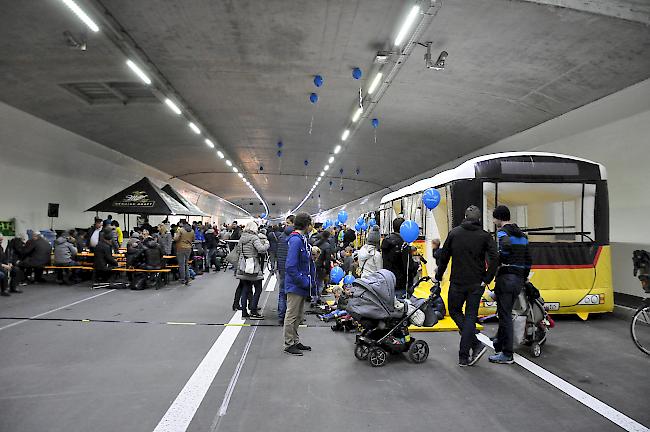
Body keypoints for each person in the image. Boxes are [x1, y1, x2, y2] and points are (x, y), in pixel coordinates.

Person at [435, 205, 498, 367]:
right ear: (478, 219)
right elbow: (495, 258)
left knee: (455, 311)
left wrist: (438, 276)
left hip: (457, 282)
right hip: (477, 283)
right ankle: (467, 353)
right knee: (471, 316)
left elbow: (444, 257)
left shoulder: (454, 233)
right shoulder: (484, 236)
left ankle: (473, 347)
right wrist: (487, 278)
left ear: (464, 216)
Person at [489, 205, 532, 365]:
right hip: (518, 280)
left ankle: (507, 354)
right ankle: (498, 342)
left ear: (499, 218)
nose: (494, 221)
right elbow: (529, 260)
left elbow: (504, 248)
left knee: (505, 316)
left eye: (494, 218)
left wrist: (501, 259)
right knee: (505, 313)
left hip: (506, 279)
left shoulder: (502, 232)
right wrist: (524, 276)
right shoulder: (522, 235)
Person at [283, 212, 316, 356]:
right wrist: (304, 281)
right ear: (306, 224)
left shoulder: (302, 239)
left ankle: (295, 340)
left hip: (301, 284)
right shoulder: (296, 241)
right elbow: (290, 266)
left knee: (298, 315)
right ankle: (289, 343)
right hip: (297, 284)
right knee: (291, 314)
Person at [234, 221, 269, 319]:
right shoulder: (254, 238)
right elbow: (261, 249)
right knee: (258, 288)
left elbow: (238, 251)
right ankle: (253, 311)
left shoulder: (242, 237)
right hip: (252, 265)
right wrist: (267, 243)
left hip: (243, 265)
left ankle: (244, 312)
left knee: (245, 289)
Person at [381, 217, 413, 298]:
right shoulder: (403, 244)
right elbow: (408, 266)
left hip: (388, 281)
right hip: (401, 283)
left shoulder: (385, 241)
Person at [275, 215, 294, 325]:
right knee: (293, 295)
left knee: (282, 293)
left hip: (282, 268)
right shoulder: (296, 237)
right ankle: (291, 317)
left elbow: (279, 253)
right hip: (292, 269)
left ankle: (281, 316)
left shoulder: (282, 236)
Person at [174, 220, 195, 285]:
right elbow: (193, 239)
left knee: (181, 264)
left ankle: (182, 279)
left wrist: (175, 236)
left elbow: (176, 239)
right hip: (188, 248)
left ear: (182, 223)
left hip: (181, 248)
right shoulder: (192, 230)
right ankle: (188, 278)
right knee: (186, 264)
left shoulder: (180, 230)